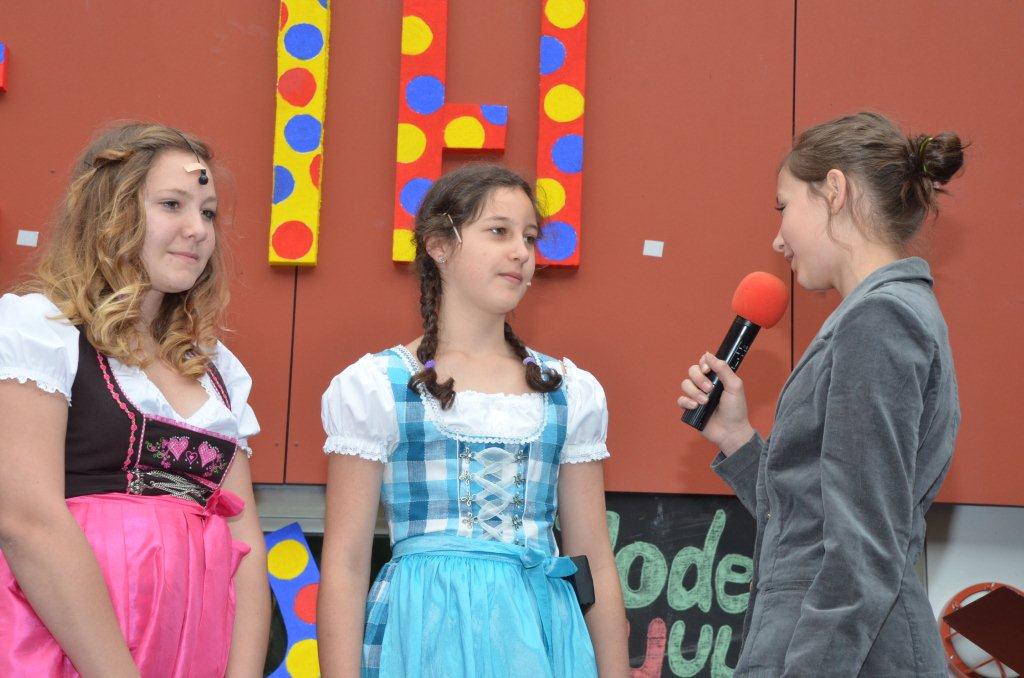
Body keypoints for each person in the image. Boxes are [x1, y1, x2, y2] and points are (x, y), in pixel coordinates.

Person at [678, 111, 963, 677]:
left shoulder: (880, 320)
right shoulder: (884, 315)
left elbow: (863, 548)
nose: (777, 237)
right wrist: (738, 440)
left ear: (834, 190)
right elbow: (813, 525)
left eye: (783, 207)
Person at [317, 163, 629, 677]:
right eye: (499, 231)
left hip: (538, 636)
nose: (521, 252)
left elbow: (592, 554)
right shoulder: (378, 386)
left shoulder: (568, 391)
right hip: (422, 637)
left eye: (529, 237)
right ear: (440, 246)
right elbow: (346, 563)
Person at [0, 122, 269, 677]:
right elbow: (28, 521)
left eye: (209, 212)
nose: (198, 229)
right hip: (69, 650)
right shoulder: (41, 330)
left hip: (192, 650)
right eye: (172, 204)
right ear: (110, 213)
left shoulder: (215, 369)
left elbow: (244, 541)